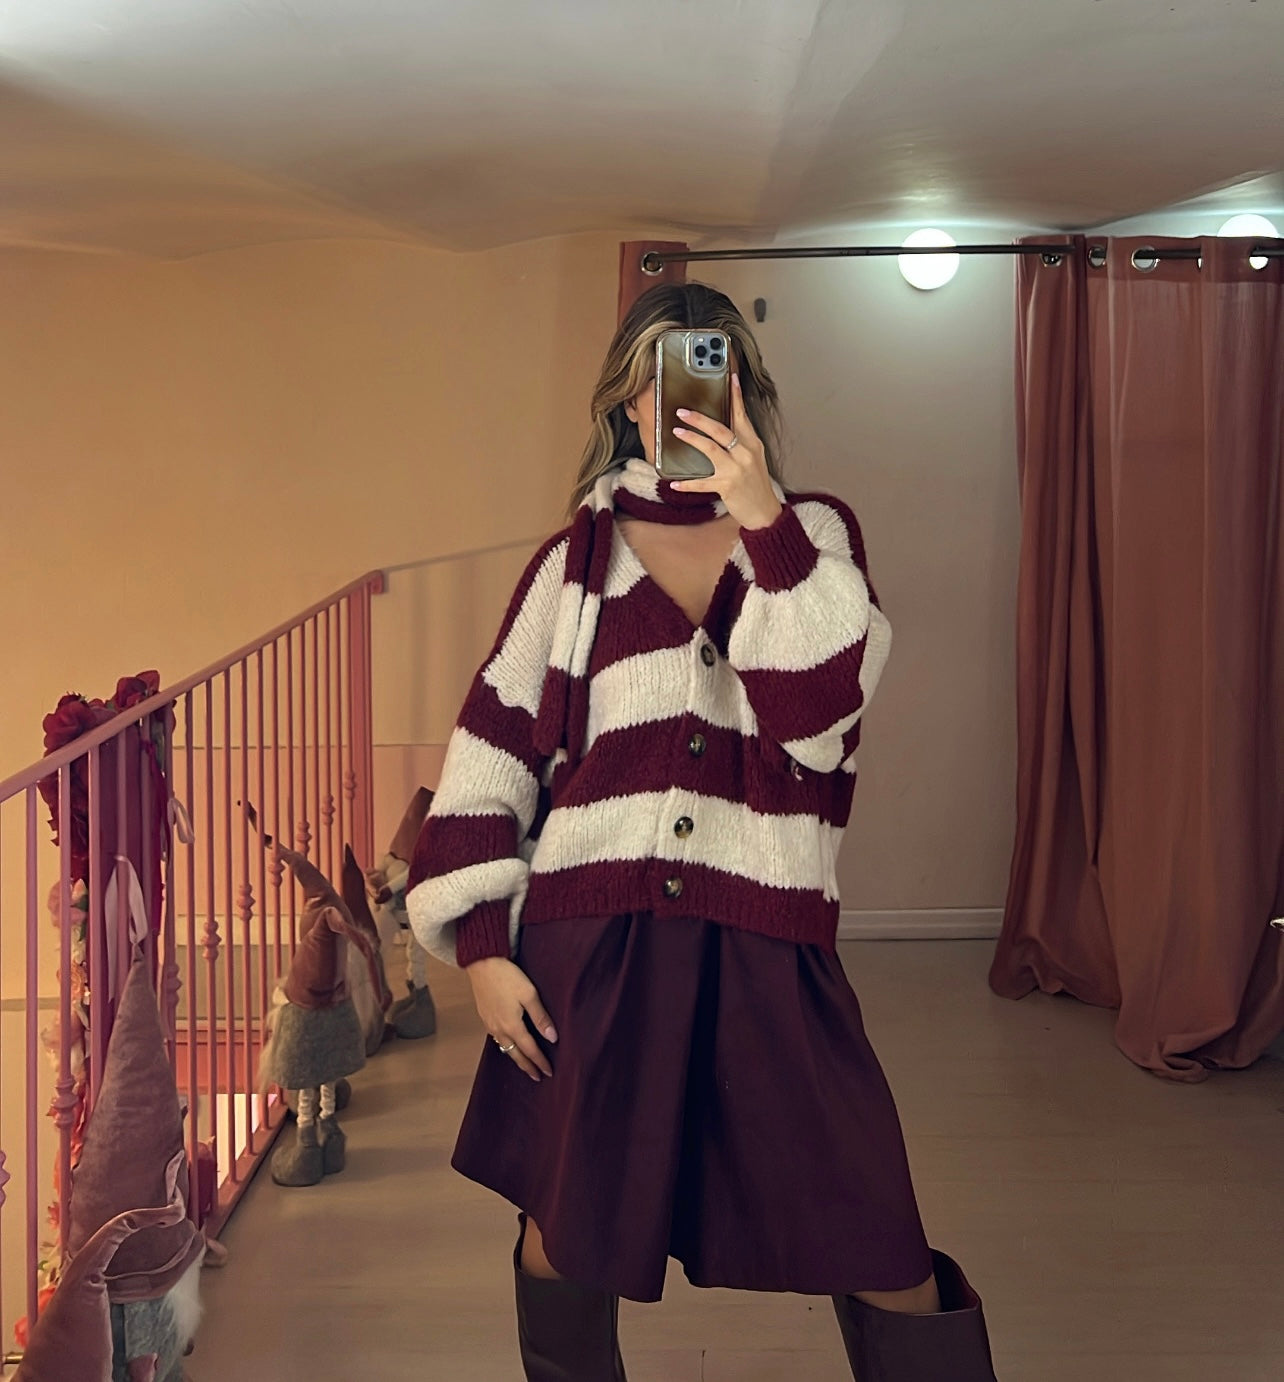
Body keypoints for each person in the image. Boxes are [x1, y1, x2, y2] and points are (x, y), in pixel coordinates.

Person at [406, 281, 998, 1381]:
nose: (672, 402)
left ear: (742, 391)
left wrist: (763, 518)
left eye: (701, 371)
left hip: (770, 940)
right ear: (623, 404)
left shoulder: (813, 536)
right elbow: (489, 757)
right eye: (652, 381)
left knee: (877, 1234)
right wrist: (483, 948)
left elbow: (818, 715)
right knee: (565, 1231)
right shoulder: (571, 565)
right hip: (589, 947)